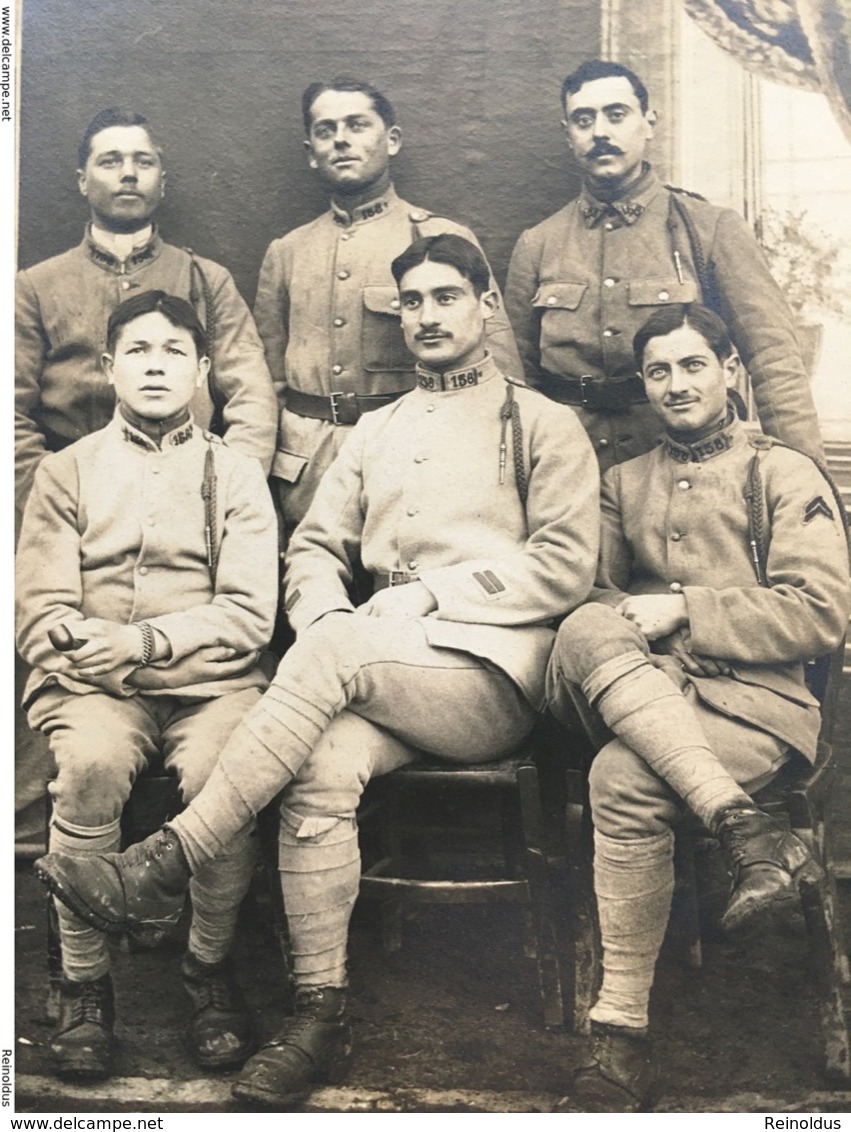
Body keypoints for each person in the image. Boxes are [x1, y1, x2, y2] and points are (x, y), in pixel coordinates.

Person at [36, 234, 600, 1105]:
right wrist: (329, 616)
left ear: (487, 306)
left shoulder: (539, 421)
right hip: (379, 664)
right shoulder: (376, 430)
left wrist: (425, 599)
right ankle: (316, 1012)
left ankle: (166, 859)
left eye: (446, 297)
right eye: (410, 302)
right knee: (314, 775)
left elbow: (563, 563)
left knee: (329, 661)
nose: (426, 316)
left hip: (489, 671)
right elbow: (310, 550)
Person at [544, 303, 850, 1111]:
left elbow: (821, 612)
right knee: (579, 621)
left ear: (729, 372)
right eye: (657, 371)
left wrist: (687, 610)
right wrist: (647, 639)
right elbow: (601, 596)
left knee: (620, 776)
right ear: (642, 386)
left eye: (690, 366)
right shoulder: (622, 481)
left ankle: (617, 1035)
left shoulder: (779, 472)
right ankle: (746, 832)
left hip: (757, 706)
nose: (675, 385)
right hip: (647, 688)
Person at [17, 292, 279, 1082]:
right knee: (92, 765)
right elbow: (40, 608)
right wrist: (77, 643)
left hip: (213, 683)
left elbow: (248, 615)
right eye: (137, 350)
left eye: (174, 352)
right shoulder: (67, 472)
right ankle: (84, 981)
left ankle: (207, 967)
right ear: (109, 368)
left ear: (203, 371)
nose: (156, 365)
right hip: (93, 684)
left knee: (221, 773)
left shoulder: (234, 473)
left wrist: (145, 641)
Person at [503, 59, 824, 472]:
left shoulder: (710, 229)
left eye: (616, 115)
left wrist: (806, 487)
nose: (600, 132)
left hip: (688, 468)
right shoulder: (538, 243)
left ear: (648, 123)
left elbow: (775, 363)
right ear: (568, 135)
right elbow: (515, 380)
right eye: (583, 120)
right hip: (571, 469)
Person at [254, 77, 522, 534]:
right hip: (304, 472)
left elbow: (502, 375)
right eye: (326, 130)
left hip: (411, 455)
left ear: (391, 140)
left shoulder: (440, 238)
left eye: (357, 125)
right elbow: (267, 384)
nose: (341, 138)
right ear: (310, 150)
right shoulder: (288, 251)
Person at [15, 106, 277, 524]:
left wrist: (220, 494)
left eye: (143, 161)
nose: (129, 173)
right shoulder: (35, 286)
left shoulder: (207, 280)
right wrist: (53, 499)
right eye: (110, 161)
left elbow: (253, 400)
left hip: (189, 499)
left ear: (162, 182)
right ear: (82, 181)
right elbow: (8, 414)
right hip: (70, 499)